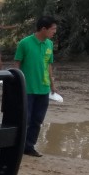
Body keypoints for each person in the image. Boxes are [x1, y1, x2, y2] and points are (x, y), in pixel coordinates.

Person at [14, 15, 57, 158]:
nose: (54, 31)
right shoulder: (24, 43)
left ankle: (29, 146)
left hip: (43, 89)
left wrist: (52, 84)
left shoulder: (49, 44)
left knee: (37, 120)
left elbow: (49, 65)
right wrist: (18, 84)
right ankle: (17, 147)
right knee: (25, 119)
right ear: (43, 29)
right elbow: (17, 64)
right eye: (53, 29)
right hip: (28, 89)